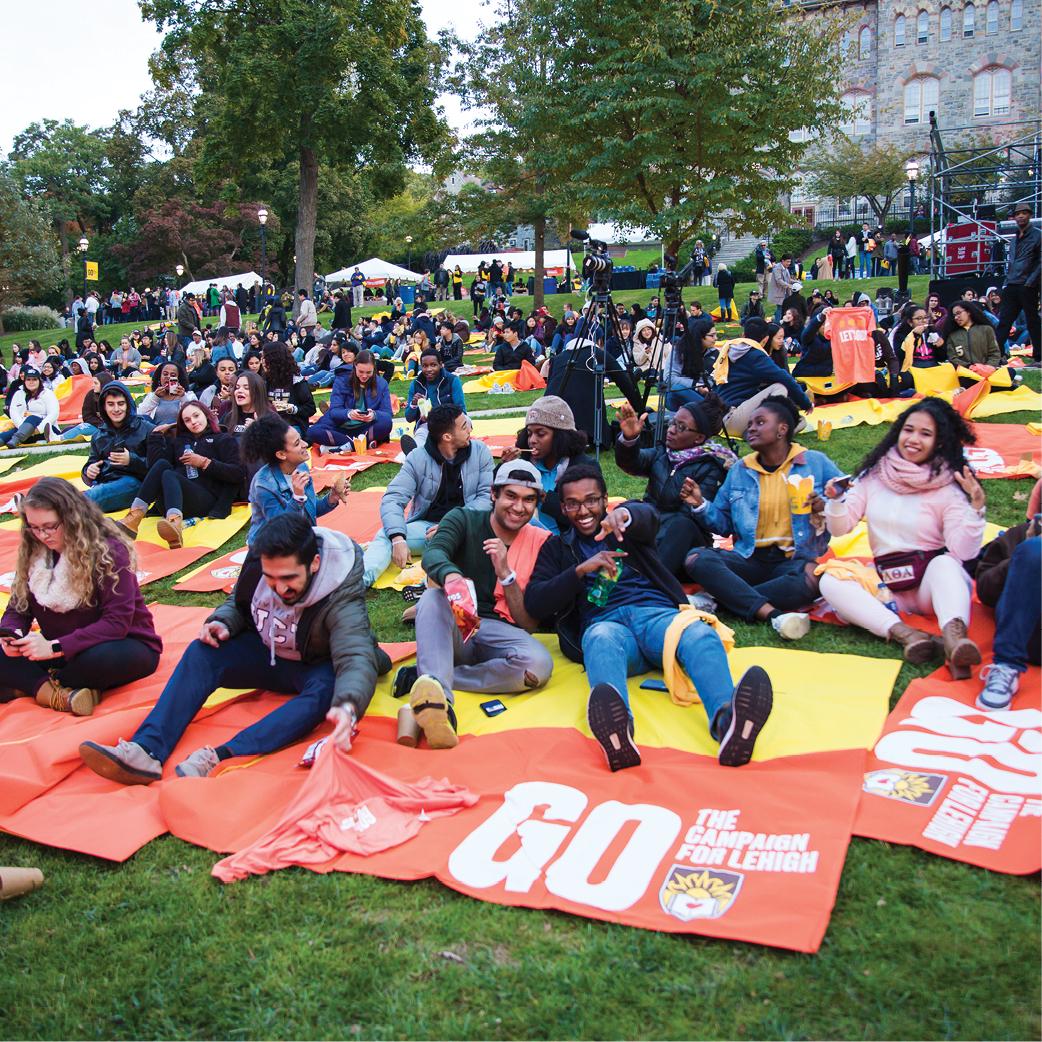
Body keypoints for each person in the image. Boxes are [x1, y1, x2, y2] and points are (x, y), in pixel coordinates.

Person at [79, 512, 391, 782]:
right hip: (268, 650)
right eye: (271, 578)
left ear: (315, 564)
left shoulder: (340, 587)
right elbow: (239, 602)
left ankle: (219, 755)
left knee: (328, 692)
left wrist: (348, 706)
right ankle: (146, 750)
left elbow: (354, 653)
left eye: (288, 579)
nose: (279, 589)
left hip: (314, 663)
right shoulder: (259, 559)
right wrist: (224, 622)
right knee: (203, 651)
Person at [524, 464, 774, 772]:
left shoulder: (626, 528)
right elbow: (535, 602)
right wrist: (580, 570)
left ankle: (728, 723)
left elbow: (648, 516)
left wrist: (625, 514)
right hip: (611, 629)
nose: (583, 510)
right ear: (562, 508)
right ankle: (618, 734)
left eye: (591, 500)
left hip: (656, 617)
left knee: (697, 632)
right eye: (572, 504)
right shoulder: (557, 547)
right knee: (600, 639)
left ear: (605, 500)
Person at [817, 399, 986, 678]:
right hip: (887, 587)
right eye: (909, 430)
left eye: (925, 434)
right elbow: (841, 529)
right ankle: (908, 636)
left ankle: (955, 640)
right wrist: (835, 502)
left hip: (929, 588)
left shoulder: (948, 485)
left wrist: (976, 508)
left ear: (941, 442)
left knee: (946, 565)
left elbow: (964, 552)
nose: (913, 439)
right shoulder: (874, 476)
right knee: (830, 580)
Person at [400, 460, 554, 749]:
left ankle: (430, 679)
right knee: (432, 598)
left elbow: (528, 624)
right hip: (459, 622)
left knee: (538, 665)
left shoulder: (542, 542)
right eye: (511, 496)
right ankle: (441, 705)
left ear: (537, 504)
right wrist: (453, 577)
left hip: (500, 632)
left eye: (528, 500)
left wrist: (506, 575)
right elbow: (434, 554)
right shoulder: (464, 519)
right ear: (494, 494)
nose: (519, 507)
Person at [0, 478, 161, 716]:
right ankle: (59, 694)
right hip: (61, 650)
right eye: (34, 527)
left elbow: (116, 624)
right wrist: (11, 635)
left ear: (71, 518)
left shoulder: (108, 550)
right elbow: (18, 608)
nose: (42, 535)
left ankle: (34, 686)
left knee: (95, 660)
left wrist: (55, 647)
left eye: (49, 526)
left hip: (119, 645)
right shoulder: (34, 552)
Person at [684, 395, 841, 639]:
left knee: (812, 577)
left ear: (782, 429)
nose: (751, 428)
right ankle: (772, 614)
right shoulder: (741, 470)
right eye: (750, 424)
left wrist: (826, 505)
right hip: (748, 559)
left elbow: (848, 496)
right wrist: (700, 504)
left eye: (759, 422)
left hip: (792, 562)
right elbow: (722, 525)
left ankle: (718, 602)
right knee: (696, 558)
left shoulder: (815, 463)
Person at [363, 403, 493, 588]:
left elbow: (486, 498)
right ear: (447, 437)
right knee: (387, 534)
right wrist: (398, 539)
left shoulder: (480, 452)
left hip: (467, 528)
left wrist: (452, 525)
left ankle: (430, 583)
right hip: (428, 530)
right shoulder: (417, 458)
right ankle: (358, 584)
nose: (470, 429)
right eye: (464, 426)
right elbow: (393, 498)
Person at [614, 396, 737, 577]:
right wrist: (629, 439)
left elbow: (694, 517)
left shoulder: (712, 466)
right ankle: (612, 575)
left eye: (681, 428)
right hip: (654, 530)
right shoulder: (664, 453)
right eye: (672, 423)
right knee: (625, 511)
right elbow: (633, 463)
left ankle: (649, 584)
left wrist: (647, 521)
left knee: (681, 525)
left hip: (683, 544)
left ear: (699, 438)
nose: (671, 430)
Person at [119, 401, 245, 548]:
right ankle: (133, 518)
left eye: (196, 416)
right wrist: (156, 436)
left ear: (206, 414)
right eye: (187, 420)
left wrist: (205, 463)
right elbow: (154, 468)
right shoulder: (179, 441)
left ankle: (175, 524)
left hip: (206, 499)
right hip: (173, 498)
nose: (193, 422)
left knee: (170, 474)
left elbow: (237, 473)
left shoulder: (223, 439)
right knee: (163, 466)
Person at [973, 503, 1040, 710]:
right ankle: (1006, 666)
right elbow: (986, 591)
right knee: (1034, 550)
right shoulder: (1023, 536)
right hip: (1031, 634)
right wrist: (1019, 562)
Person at [242, 415, 348, 546]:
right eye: (297, 443)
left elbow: (310, 511)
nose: (305, 444)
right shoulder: (264, 484)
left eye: (301, 439)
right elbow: (281, 529)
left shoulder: (301, 467)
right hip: (269, 549)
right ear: (281, 454)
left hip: (298, 541)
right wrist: (297, 497)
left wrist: (332, 497)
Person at [499, 397, 596, 536]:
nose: (532, 440)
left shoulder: (583, 466)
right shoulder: (524, 464)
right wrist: (504, 468)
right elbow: (497, 501)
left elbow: (586, 515)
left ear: (560, 436)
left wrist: (543, 496)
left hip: (565, 545)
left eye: (541, 434)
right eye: (529, 433)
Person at [712, 318, 812, 438]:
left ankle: (755, 430)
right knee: (780, 389)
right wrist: (805, 403)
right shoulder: (755, 355)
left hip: (718, 415)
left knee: (797, 419)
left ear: (743, 334)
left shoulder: (729, 349)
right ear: (766, 339)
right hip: (732, 417)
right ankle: (760, 434)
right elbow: (785, 379)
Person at [81, 383, 155, 512]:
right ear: (104, 407)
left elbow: (160, 467)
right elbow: (91, 463)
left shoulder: (147, 429)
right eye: (111, 404)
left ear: (128, 405)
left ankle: (65, 507)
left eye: (120, 404)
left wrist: (132, 461)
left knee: (93, 497)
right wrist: (89, 471)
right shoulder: (99, 435)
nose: (116, 409)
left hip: (135, 484)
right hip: (105, 482)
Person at [307, 350, 392, 449]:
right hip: (341, 427)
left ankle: (346, 445)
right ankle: (358, 444)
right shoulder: (342, 380)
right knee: (313, 432)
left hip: (366, 427)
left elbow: (387, 414)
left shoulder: (381, 384)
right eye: (361, 372)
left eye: (369, 372)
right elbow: (334, 411)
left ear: (374, 369)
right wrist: (349, 414)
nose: (364, 376)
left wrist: (374, 415)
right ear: (354, 366)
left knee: (386, 424)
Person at [994, 203, 1040, 364]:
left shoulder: (1037, 235)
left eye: (1024, 213)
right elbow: (1012, 262)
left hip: (1027, 285)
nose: (1020, 216)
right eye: (1017, 214)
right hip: (1013, 284)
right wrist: (1007, 281)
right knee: (1004, 322)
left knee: (1032, 321)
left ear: (1029, 215)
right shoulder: (1014, 238)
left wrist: (1031, 282)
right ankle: (997, 355)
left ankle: (1039, 356)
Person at [403, 349, 465, 439]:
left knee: (466, 421)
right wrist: (413, 404)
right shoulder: (416, 384)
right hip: (428, 426)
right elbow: (409, 418)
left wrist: (436, 417)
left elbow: (461, 411)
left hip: (451, 424)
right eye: (425, 366)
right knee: (421, 433)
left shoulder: (452, 380)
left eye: (433, 365)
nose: (429, 369)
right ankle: (416, 449)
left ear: (440, 365)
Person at [262, 342, 315, 437]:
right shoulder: (266, 380)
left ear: (274, 359)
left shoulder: (296, 381)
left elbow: (310, 408)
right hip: (270, 424)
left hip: (293, 424)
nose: (262, 361)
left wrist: (292, 409)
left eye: (265, 357)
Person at [1, 368, 60, 448]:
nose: (31, 382)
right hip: (23, 430)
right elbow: (14, 413)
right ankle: (15, 440)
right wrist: (23, 428)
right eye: (28, 379)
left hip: (47, 430)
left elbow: (53, 414)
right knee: (6, 435)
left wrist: (38, 429)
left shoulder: (47, 393)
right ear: (24, 381)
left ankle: (17, 439)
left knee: (32, 418)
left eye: (34, 379)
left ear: (39, 381)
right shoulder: (18, 394)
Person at [139, 362, 197, 427]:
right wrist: (155, 398)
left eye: (173, 375)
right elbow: (140, 414)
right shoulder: (152, 396)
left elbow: (195, 416)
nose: (168, 377)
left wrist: (183, 397)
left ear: (179, 379)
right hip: (157, 434)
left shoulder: (189, 396)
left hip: (180, 434)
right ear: (160, 377)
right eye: (165, 374)